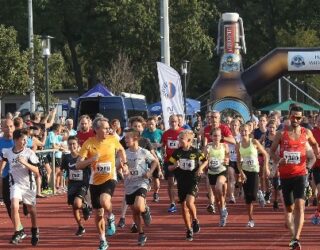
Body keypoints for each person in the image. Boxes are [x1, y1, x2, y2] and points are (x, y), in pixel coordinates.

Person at [270, 105, 320, 250]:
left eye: (299, 117)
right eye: (293, 116)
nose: (296, 119)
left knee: (300, 205)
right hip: (285, 176)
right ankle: (292, 232)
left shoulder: (307, 132)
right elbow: (272, 152)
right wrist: (278, 161)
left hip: (300, 174)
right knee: (290, 208)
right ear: (289, 116)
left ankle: (296, 238)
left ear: (302, 118)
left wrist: (316, 155)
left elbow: (315, 144)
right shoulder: (281, 134)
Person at [76, 117, 128, 250]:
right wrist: (91, 160)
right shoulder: (88, 143)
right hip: (94, 181)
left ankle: (111, 216)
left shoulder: (112, 139)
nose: (108, 130)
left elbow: (121, 150)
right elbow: (78, 165)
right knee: (98, 213)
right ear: (96, 129)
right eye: (105, 128)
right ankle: (103, 239)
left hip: (110, 177)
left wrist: (125, 163)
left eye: (108, 127)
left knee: (105, 201)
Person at [1, 129, 40, 245]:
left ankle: (35, 230)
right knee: (14, 205)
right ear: (16, 140)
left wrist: (25, 163)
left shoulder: (29, 153)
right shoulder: (8, 152)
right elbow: (3, 160)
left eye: (26, 140)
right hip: (15, 184)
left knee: (31, 210)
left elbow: (37, 171)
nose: (25, 142)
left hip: (28, 185)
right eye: (23, 139)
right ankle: (18, 231)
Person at [168, 130, 207, 241]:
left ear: (189, 141)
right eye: (178, 139)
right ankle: (189, 229)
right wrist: (175, 166)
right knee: (183, 207)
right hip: (181, 181)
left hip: (193, 180)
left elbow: (205, 161)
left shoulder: (196, 151)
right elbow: (169, 167)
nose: (178, 141)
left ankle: (195, 219)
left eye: (181, 139)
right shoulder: (176, 153)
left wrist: (200, 168)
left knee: (189, 202)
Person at [123, 128, 157, 246]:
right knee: (134, 211)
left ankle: (145, 209)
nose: (125, 139)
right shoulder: (124, 153)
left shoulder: (143, 152)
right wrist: (121, 171)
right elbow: (117, 165)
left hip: (142, 182)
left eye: (128, 137)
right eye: (125, 137)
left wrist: (150, 172)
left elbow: (154, 161)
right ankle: (141, 234)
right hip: (129, 184)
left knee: (139, 206)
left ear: (135, 138)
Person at [236, 124, 269, 228]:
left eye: (245, 131)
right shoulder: (238, 145)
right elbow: (238, 161)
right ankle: (250, 219)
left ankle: (259, 193)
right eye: (241, 131)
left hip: (254, 170)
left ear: (249, 131)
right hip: (245, 171)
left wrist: (266, 167)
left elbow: (265, 154)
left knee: (253, 195)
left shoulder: (254, 142)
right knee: (248, 198)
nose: (243, 133)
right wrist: (241, 173)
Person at [61, 136, 91, 236]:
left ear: (78, 145)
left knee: (77, 203)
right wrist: (63, 179)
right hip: (72, 185)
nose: (72, 146)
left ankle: (84, 205)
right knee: (74, 207)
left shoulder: (83, 157)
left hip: (83, 184)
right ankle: (80, 226)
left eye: (74, 143)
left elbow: (90, 169)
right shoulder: (66, 157)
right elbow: (64, 170)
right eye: (70, 144)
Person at [204, 127, 229, 227]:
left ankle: (223, 208)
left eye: (218, 135)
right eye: (214, 135)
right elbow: (202, 158)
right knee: (217, 199)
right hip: (212, 172)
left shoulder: (224, 146)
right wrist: (205, 163)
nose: (216, 137)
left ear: (221, 136)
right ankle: (222, 216)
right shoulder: (208, 147)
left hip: (222, 171)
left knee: (219, 187)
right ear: (211, 136)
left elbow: (227, 157)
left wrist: (227, 160)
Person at [162, 114, 184, 213]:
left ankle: (183, 199)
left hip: (181, 161)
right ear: (169, 122)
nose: (173, 123)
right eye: (171, 121)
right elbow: (163, 145)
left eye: (175, 121)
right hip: (169, 160)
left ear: (178, 122)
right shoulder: (166, 133)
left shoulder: (183, 132)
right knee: (170, 182)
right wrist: (163, 152)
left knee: (181, 183)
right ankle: (172, 203)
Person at [142, 116, 164, 202]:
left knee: (156, 178)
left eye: (152, 124)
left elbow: (164, 142)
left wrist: (160, 145)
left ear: (156, 124)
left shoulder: (160, 132)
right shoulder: (144, 132)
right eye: (148, 124)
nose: (150, 126)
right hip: (145, 157)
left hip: (156, 156)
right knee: (144, 174)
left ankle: (156, 193)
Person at [311, 114, 320, 224]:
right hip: (317, 166)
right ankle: (318, 211)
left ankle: (318, 211)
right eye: (318, 120)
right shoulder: (312, 133)